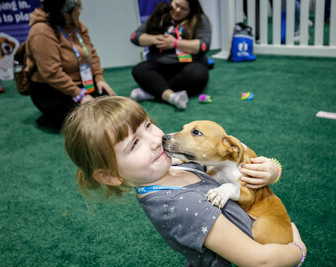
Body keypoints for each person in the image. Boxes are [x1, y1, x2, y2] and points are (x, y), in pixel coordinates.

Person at [63, 96, 307, 266]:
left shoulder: (175, 166)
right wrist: (297, 250)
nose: (154, 139)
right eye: (134, 143)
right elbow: (259, 260)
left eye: (148, 126)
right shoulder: (181, 206)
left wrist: (273, 170)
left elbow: (230, 160)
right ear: (109, 176)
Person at [26, 0, 116, 130]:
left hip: (82, 82)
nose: (81, 10)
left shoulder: (77, 26)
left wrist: (99, 79)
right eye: (78, 7)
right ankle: (51, 116)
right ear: (65, 10)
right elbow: (51, 72)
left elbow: (92, 54)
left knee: (110, 106)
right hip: (52, 89)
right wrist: (80, 95)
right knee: (86, 120)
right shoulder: (41, 30)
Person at [130, 0, 211, 110]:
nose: (178, 10)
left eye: (183, 9)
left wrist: (175, 43)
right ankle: (171, 96)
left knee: (199, 74)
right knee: (139, 69)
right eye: (176, 5)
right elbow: (135, 36)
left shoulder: (199, 19)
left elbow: (203, 46)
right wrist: (154, 39)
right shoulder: (160, 14)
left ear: (191, 10)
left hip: (187, 64)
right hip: (160, 64)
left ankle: (154, 91)